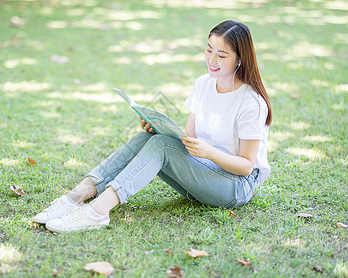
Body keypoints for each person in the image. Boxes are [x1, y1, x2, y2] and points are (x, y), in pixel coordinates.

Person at [33, 20, 273, 233]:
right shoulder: (203, 84)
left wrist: (208, 152)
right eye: (209, 50)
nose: (211, 60)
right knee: (148, 139)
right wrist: (159, 128)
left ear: (240, 59)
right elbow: (188, 139)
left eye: (221, 56)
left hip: (236, 186)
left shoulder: (251, 102)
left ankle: (98, 211)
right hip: (204, 174)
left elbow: (245, 167)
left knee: (161, 147)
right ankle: (76, 197)